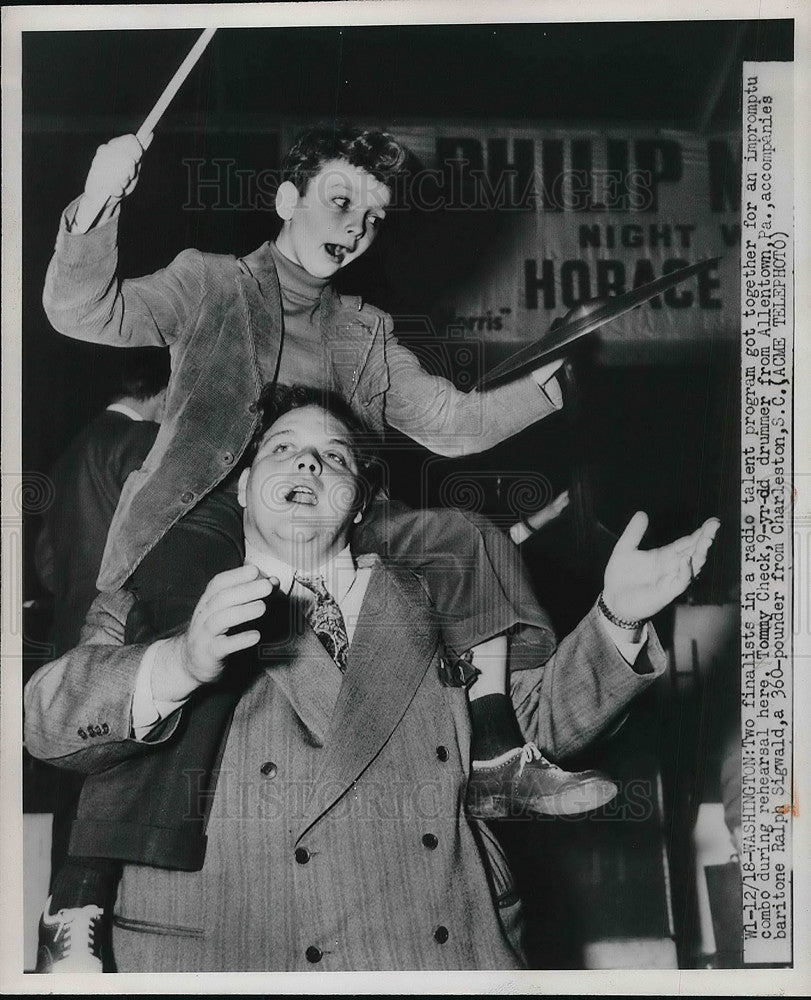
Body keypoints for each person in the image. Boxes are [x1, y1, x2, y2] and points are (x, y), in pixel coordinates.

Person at [24, 385, 720, 973]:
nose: (308, 462)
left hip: (435, 948)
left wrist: (616, 619)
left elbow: (532, 732)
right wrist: (181, 663)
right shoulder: (152, 598)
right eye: (283, 448)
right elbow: (49, 726)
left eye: (333, 458)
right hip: (233, 953)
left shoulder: (439, 591)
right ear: (239, 487)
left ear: (359, 503)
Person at [40, 123, 587, 812]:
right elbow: (81, 309)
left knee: (467, 539)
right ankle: (90, 879)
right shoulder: (209, 283)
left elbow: (450, 426)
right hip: (204, 516)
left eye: (373, 217)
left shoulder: (367, 332)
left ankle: (496, 751)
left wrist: (550, 385)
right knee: (181, 659)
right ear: (286, 200)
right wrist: (96, 201)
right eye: (339, 202)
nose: (356, 228)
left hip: (333, 522)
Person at [35, 348, 170, 656]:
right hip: (122, 636)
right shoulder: (145, 440)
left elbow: (46, 565)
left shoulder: (69, 453)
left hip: (67, 638)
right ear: (166, 393)